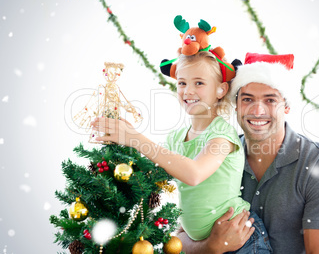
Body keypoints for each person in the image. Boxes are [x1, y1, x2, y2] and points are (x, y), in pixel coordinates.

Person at [91, 51, 272, 253]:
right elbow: (154, 176)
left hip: (242, 238)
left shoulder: (222, 134)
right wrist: (121, 150)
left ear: (221, 90)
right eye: (182, 83)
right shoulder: (175, 138)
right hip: (202, 245)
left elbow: (194, 174)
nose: (188, 91)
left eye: (199, 83)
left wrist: (135, 138)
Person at [177, 53, 319, 254]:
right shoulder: (217, 151)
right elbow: (182, 235)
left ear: (286, 106)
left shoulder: (318, 164)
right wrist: (211, 246)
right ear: (236, 105)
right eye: (248, 99)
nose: (257, 111)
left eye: (270, 100)